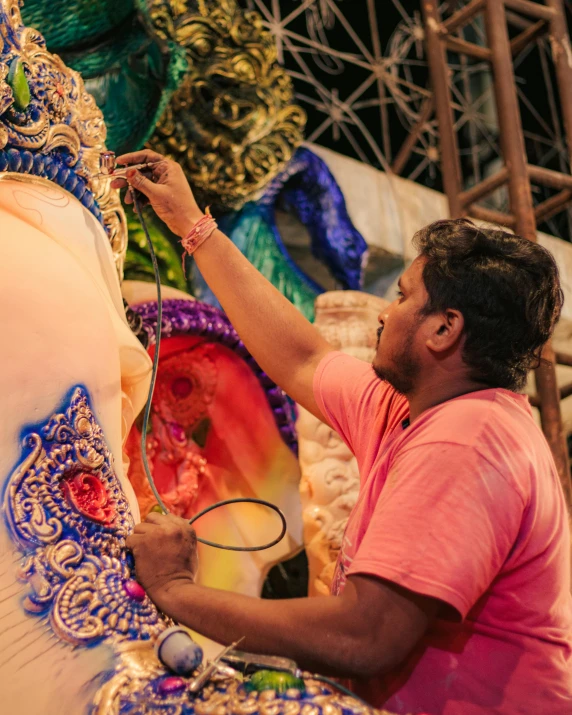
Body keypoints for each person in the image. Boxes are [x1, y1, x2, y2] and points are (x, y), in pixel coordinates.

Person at [114, 150, 572, 715]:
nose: (385, 312)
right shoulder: (408, 405)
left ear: (444, 330)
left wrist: (175, 590)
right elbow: (302, 358)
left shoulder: (469, 437)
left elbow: (365, 635)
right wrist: (193, 225)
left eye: (403, 297)